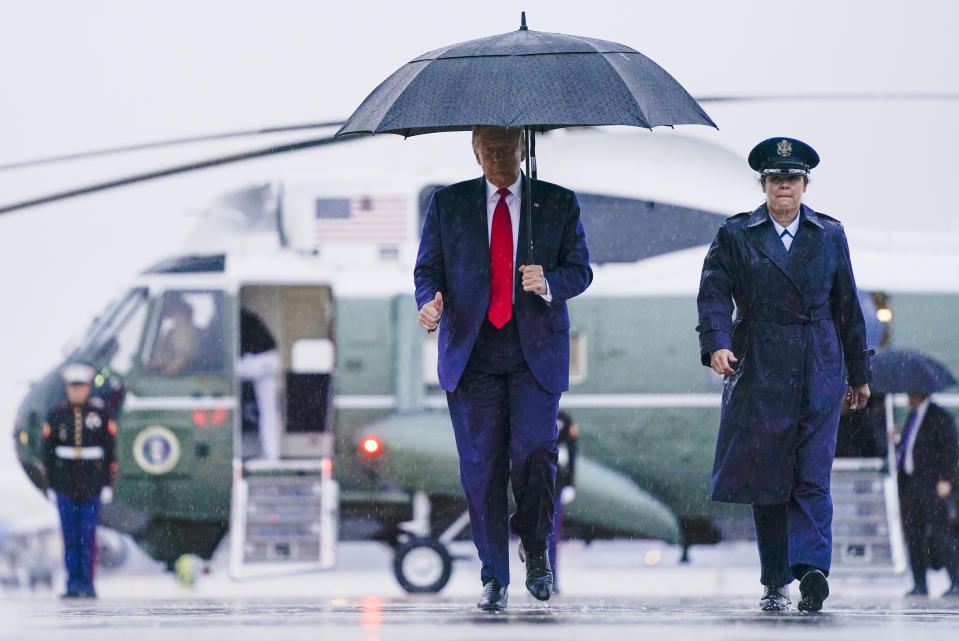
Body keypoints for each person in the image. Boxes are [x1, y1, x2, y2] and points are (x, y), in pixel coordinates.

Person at [415, 125, 591, 611]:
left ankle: (535, 548)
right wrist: (427, 302)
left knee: (535, 456)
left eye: (505, 148)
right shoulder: (447, 205)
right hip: (472, 357)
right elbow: (427, 270)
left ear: (521, 149)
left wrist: (549, 280)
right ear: (475, 152)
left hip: (533, 356)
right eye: (487, 149)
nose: (496, 157)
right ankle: (494, 575)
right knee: (482, 470)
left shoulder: (557, 203)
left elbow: (582, 270)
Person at [696, 137, 872, 613]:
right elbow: (713, 293)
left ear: (804, 184)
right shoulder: (736, 235)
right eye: (776, 180)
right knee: (767, 479)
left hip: (819, 365)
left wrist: (859, 373)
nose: (784, 188)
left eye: (792, 180)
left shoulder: (829, 235)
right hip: (760, 369)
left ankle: (813, 569)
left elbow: (847, 308)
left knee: (812, 474)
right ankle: (776, 578)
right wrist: (716, 343)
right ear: (764, 184)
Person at [41, 363, 117, 599]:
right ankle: (73, 583)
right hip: (65, 484)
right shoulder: (56, 415)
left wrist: (107, 484)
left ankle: (88, 582)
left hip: (91, 484)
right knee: (70, 536)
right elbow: (49, 454)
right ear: (67, 389)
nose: (77, 392)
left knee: (88, 535)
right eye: (73, 387)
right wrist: (51, 485)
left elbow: (109, 452)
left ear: (87, 388)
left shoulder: (100, 414)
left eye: (81, 387)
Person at [896, 392, 959, 597]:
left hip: (932, 485)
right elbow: (910, 449)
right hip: (911, 486)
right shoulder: (912, 417)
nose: (907, 396)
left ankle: (956, 581)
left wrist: (947, 478)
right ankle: (919, 584)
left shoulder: (939, 416)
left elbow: (951, 449)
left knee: (942, 535)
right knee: (913, 536)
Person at [236, 308, 283, 461]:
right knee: (269, 411)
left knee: (225, 372)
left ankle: (270, 456)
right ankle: (272, 456)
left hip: (260, 360)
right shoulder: (247, 316)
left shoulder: (238, 318)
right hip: (270, 359)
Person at [548, 410, 578, 594]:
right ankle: (541, 576)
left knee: (552, 537)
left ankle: (551, 578)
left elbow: (572, 451)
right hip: (540, 485)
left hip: (557, 486)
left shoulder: (564, 419)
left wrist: (570, 483)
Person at [146, 297, 199, 376]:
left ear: (181, 313)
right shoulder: (175, 331)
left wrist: (163, 375)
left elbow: (181, 358)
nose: (172, 314)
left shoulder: (183, 331)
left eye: (175, 311)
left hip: (178, 376)